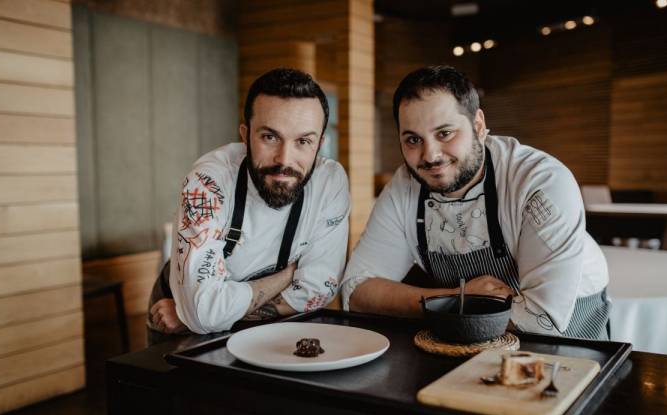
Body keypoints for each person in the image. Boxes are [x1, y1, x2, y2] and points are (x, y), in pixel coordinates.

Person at [341, 65, 609, 339]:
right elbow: (356, 292)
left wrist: (447, 305)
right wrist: (457, 298)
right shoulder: (404, 187)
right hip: (463, 334)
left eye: (445, 133)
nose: (430, 155)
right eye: (413, 140)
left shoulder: (538, 182)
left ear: (478, 126)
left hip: (570, 324)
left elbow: (541, 319)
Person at [148, 68, 349, 338]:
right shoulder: (208, 182)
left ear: (320, 144)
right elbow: (200, 311)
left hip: (202, 319)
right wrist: (290, 276)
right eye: (270, 137)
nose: (284, 159)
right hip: (176, 321)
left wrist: (209, 314)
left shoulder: (330, 183)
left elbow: (319, 291)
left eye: (303, 141)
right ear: (245, 135)